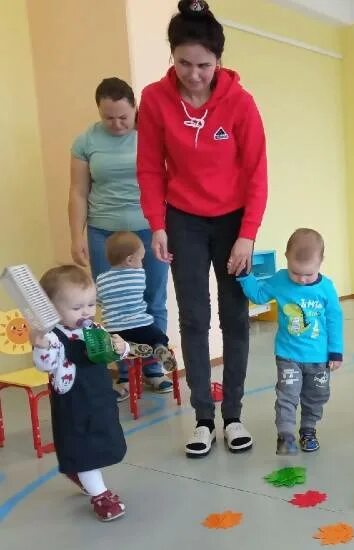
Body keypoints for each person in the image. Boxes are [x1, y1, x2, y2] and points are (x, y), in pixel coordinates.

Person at [137, 0, 268, 457]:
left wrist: (248, 233)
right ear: (172, 57)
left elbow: (257, 172)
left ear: (219, 61)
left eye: (204, 65)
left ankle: (232, 416)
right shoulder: (155, 100)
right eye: (184, 63)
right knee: (194, 317)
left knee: (234, 317)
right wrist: (157, 224)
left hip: (233, 222)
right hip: (183, 220)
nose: (194, 74)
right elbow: (150, 168)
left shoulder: (240, 103)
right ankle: (202, 417)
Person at [69, 77, 172, 399]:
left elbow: (170, 180)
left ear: (135, 109)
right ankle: (124, 373)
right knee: (114, 306)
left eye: (123, 117)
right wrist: (77, 235)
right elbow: (78, 191)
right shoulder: (86, 141)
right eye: (108, 117)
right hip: (103, 232)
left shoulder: (151, 135)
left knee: (153, 299)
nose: (116, 123)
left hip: (147, 230)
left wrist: (168, 229)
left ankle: (154, 368)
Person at [31, 266, 129, 522]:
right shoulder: (53, 337)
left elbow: (110, 350)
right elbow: (46, 363)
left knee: (102, 440)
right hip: (73, 402)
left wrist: (121, 347)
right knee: (83, 446)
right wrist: (40, 345)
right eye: (76, 308)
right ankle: (100, 495)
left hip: (98, 397)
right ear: (51, 311)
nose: (85, 312)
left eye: (91, 304)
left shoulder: (94, 327)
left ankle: (78, 470)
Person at [237, 229, 343, 455]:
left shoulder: (326, 288)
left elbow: (335, 319)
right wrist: (245, 277)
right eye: (296, 273)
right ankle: (285, 435)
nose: (302, 279)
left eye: (309, 274)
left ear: (321, 262)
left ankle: (308, 429)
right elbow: (259, 295)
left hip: (318, 357)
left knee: (317, 396)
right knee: (287, 394)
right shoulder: (280, 280)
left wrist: (335, 352)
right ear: (286, 257)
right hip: (288, 355)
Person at [96, 232, 178, 374]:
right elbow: (146, 295)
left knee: (115, 346)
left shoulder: (100, 280)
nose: (141, 263)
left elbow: (99, 301)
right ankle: (159, 348)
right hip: (141, 327)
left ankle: (128, 347)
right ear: (129, 260)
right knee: (159, 337)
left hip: (114, 332)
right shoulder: (139, 275)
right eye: (140, 259)